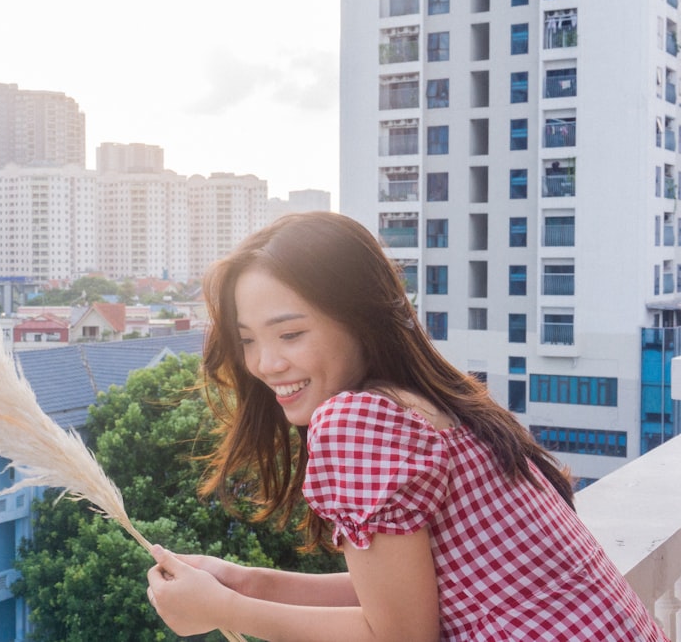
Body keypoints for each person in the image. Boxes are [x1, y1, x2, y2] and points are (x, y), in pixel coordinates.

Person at [146, 212, 668, 641]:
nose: (265, 364)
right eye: (249, 340)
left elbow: (398, 636)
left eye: (290, 334)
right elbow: (427, 593)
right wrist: (244, 583)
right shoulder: (432, 401)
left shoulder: (356, 420)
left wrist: (226, 611)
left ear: (359, 319)